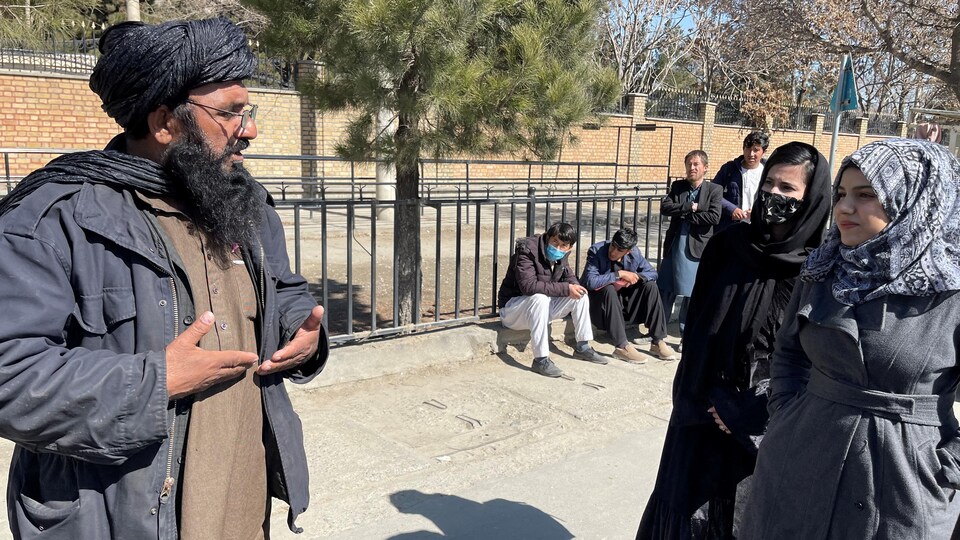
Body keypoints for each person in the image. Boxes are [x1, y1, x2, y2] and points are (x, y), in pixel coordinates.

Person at [0, 18, 329, 539]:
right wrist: (156, 382)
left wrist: (298, 330)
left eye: (248, 110)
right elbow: (9, 376)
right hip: (121, 519)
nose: (250, 129)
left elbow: (281, 288)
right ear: (164, 123)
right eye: (229, 113)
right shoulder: (53, 218)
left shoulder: (245, 202)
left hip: (244, 507)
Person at [739, 139, 960, 539]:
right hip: (798, 460)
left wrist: (946, 466)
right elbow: (788, 353)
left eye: (867, 195)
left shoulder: (951, 292)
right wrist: (785, 416)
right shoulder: (824, 268)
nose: (843, 207)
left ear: (914, 201)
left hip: (902, 486)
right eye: (841, 193)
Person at [636, 141, 832, 539]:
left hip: (758, 434)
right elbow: (698, 331)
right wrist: (698, 396)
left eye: (789, 189)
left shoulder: (818, 272)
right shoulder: (728, 247)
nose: (774, 195)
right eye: (770, 184)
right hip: (698, 412)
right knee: (682, 513)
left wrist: (747, 412)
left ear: (812, 200)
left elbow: (813, 363)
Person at [498, 222, 609, 377]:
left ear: (569, 248)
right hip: (512, 311)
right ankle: (541, 360)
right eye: (555, 242)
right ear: (548, 238)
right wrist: (566, 289)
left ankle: (583, 347)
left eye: (563, 245)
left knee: (580, 295)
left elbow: (569, 277)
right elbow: (528, 287)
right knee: (540, 298)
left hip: (539, 312)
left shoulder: (562, 256)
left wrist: (574, 287)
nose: (558, 248)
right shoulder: (527, 250)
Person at [579, 228, 677, 363]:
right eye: (613, 246)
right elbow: (590, 281)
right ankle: (622, 346)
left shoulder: (634, 254)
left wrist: (635, 276)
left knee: (650, 286)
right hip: (600, 306)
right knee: (608, 289)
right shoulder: (596, 251)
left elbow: (653, 273)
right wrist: (619, 275)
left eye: (619, 250)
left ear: (628, 251)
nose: (613, 252)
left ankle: (657, 341)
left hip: (624, 304)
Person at [658, 150, 723, 342]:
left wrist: (685, 215)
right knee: (665, 288)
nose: (691, 168)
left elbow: (713, 217)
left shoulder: (714, 190)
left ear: (705, 168)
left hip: (696, 247)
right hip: (674, 245)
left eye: (696, 164)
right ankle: (657, 332)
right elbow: (665, 208)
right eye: (689, 164)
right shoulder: (678, 186)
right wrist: (689, 207)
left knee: (690, 293)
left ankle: (686, 334)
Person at [712, 131, 770, 230]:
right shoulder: (729, 169)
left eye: (756, 150)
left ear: (763, 152)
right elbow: (713, 193)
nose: (751, 154)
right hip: (731, 228)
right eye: (748, 149)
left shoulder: (769, 172)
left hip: (759, 227)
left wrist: (758, 212)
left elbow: (774, 198)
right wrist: (731, 209)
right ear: (743, 149)